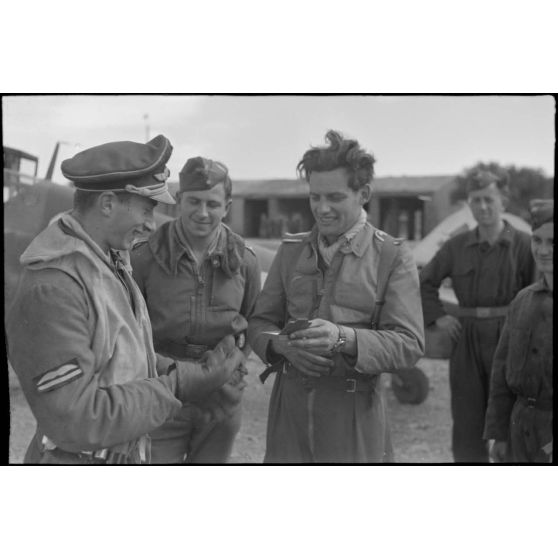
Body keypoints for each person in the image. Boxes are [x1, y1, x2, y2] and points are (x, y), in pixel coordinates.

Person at [5, 136, 244, 464]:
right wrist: (177, 385)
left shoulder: (105, 264)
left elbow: (121, 356)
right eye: (147, 209)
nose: (151, 223)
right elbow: (76, 419)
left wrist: (184, 370)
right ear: (107, 204)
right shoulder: (54, 288)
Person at [247, 130, 424, 463]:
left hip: (354, 416)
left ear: (363, 193)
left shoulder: (393, 257)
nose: (322, 209)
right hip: (289, 414)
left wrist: (343, 338)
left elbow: (409, 344)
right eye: (315, 197)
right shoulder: (291, 251)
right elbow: (260, 322)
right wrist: (279, 345)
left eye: (335, 197)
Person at [130, 156, 260, 463]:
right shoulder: (145, 256)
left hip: (221, 399)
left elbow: (255, 321)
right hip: (163, 394)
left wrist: (236, 367)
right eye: (194, 202)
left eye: (213, 204)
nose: (202, 213)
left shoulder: (245, 260)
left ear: (227, 206)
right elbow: (129, 325)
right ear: (178, 201)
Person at [420, 170, 535, 462]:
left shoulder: (524, 245)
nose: (482, 207)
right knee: (467, 421)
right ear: (468, 205)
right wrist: (438, 318)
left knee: (512, 420)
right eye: (475, 200)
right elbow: (424, 282)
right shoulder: (456, 247)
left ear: (503, 201)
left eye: (488, 199)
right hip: (467, 340)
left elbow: (538, 297)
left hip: (510, 340)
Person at [484, 199, 553, 463]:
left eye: (553, 242)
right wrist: (499, 434)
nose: (543, 250)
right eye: (537, 240)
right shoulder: (523, 301)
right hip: (519, 429)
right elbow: (501, 374)